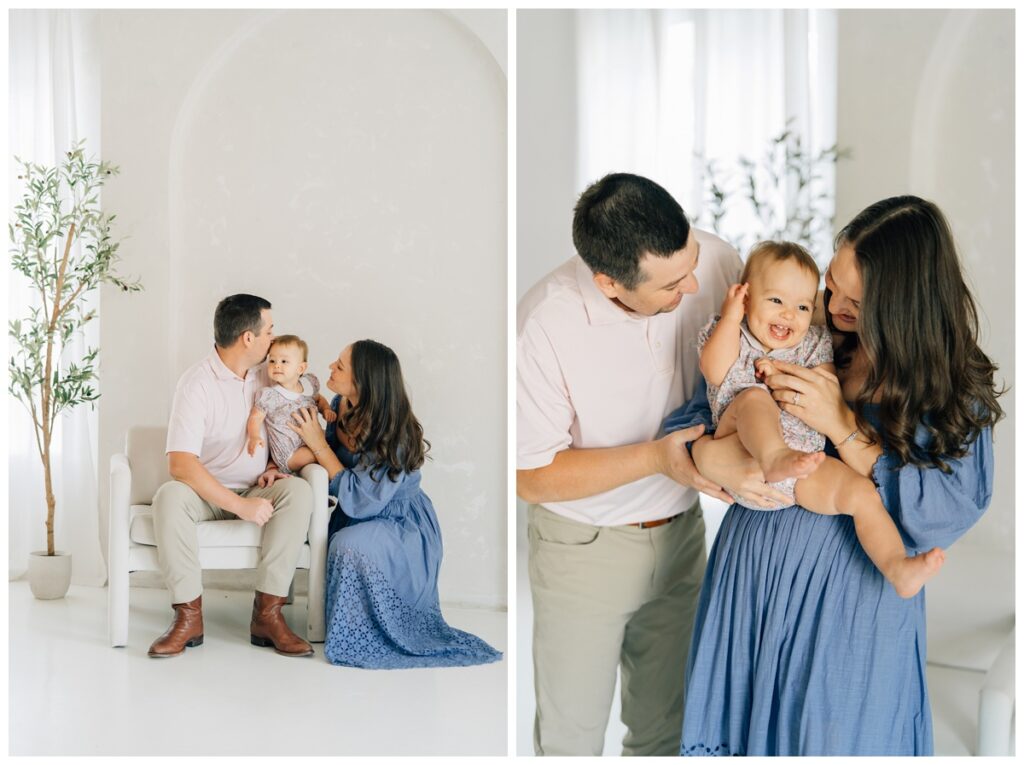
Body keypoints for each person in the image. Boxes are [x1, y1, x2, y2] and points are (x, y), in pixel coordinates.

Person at [668, 196, 1003, 755]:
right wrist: (708, 456)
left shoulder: (947, 387)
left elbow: (947, 509)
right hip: (754, 579)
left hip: (855, 606)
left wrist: (844, 428)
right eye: (832, 284)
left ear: (903, 305)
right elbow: (701, 410)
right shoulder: (805, 333)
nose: (836, 306)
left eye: (858, 299)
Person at [516, 172, 750, 756]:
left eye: (692, 262)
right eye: (673, 285)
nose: (695, 283)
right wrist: (655, 459)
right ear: (609, 283)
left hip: (682, 537)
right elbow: (531, 477)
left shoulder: (716, 260)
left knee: (667, 731)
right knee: (571, 738)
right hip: (582, 549)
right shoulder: (545, 323)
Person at [699, 240, 944, 598]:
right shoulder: (731, 332)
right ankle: (774, 456)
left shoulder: (813, 341)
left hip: (802, 466)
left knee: (861, 494)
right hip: (744, 451)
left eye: (802, 306)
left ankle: (897, 567)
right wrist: (732, 316)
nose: (788, 315)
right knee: (755, 397)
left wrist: (783, 370)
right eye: (776, 301)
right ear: (746, 298)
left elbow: (827, 388)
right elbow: (713, 368)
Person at [288, 340, 502, 668]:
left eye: (341, 365)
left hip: (399, 523)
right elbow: (329, 455)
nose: (331, 365)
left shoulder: (392, 433)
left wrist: (318, 444)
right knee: (332, 535)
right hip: (357, 512)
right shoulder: (339, 405)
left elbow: (361, 498)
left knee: (349, 545)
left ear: (364, 381)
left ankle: (375, 633)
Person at [149, 294, 315, 659]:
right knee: (169, 496)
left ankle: (267, 616)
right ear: (248, 338)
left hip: (260, 486)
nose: (274, 338)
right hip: (206, 493)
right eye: (269, 331)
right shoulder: (196, 384)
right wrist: (240, 505)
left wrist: (275, 464)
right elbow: (180, 464)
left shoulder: (268, 373)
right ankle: (188, 617)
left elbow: (289, 419)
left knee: (300, 492)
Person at [246, 334, 336, 473]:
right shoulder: (270, 395)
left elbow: (318, 399)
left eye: (284, 361)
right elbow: (255, 417)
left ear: (300, 368)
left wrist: (326, 410)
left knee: (333, 438)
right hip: (290, 452)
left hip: (311, 439)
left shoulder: (308, 385)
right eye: (272, 361)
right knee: (321, 452)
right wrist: (254, 436)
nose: (276, 365)